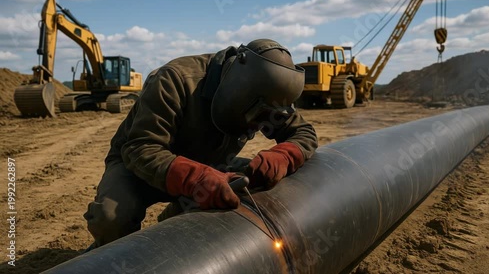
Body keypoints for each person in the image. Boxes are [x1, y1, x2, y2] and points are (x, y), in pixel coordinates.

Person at [83, 38, 318, 249]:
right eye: (254, 117)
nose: (257, 126)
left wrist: (284, 156)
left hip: (207, 166)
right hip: (138, 166)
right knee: (112, 218)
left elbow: (304, 133)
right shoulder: (175, 80)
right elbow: (141, 148)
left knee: (256, 185)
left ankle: (174, 219)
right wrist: (196, 179)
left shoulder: (266, 94)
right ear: (238, 88)